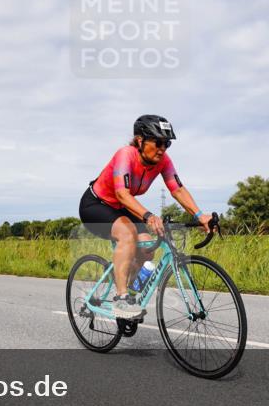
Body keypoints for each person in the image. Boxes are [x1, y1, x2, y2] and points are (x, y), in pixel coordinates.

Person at [79, 115, 213, 318]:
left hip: (122, 207)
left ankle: (129, 289)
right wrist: (148, 215)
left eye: (166, 144)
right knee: (127, 233)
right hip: (96, 204)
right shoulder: (126, 155)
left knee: (147, 247)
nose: (162, 149)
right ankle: (121, 299)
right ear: (140, 140)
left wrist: (200, 215)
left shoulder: (163, 161)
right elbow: (122, 194)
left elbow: (177, 189)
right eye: (158, 142)